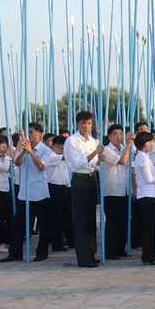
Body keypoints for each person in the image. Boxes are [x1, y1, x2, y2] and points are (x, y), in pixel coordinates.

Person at [5, 122, 53, 262]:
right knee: (18, 224)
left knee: (43, 225)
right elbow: (17, 162)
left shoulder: (45, 150)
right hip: (25, 192)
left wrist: (31, 152)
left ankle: (42, 253)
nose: (30, 135)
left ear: (40, 134)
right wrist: (24, 151)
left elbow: (41, 166)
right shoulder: (25, 147)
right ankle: (15, 253)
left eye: (32, 132)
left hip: (40, 192)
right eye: (29, 132)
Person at [64, 110, 104, 267]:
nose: (86, 127)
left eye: (89, 123)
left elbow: (93, 163)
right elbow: (77, 163)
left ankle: (91, 253)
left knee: (91, 219)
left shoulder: (93, 141)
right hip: (79, 179)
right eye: (83, 124)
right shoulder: (72, 141)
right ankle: (83, 257)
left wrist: (98, 160)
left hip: (91, 178)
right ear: (77, 124)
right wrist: (95, 152)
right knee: (81, 219)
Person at [101, 124, 133, 259]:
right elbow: (123, 161)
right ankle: (110, 250)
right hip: (112, 191)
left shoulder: (123, 149)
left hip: (124, 190)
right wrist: (129, 146)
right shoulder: (107, 150)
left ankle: (120, 248)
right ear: (109, 137)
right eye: (115, 134)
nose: (118, 137)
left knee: (123, 222)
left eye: (120, 134)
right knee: (112, 223)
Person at [132, 131, 155, 265]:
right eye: (149, 142)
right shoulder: (142, 158)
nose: (152, 144)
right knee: (149, 227)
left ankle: (149, 254)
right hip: (147, 194)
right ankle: (148, 255)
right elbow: (149, 178)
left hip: (149, 194)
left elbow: (153, 170)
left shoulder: (145, 157)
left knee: (150, 226)